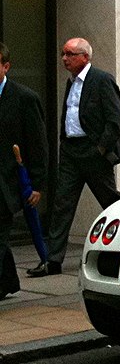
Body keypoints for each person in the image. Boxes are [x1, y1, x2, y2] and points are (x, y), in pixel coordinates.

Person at [27, 38, 120, 278]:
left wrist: (100, 150)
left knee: (110, 202)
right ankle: (52, 260)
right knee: (62, 204)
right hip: (71, 152)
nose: (64, 59)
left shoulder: (102, 80)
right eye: (63, 54)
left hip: (93, 152)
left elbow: (115, 120)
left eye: (70, 54)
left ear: (85, 57)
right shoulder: (71, 83)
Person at [0, 43, 47, 298]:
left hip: (7, 181)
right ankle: (7, 281)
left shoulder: (25, 98)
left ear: (6, 67)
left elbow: (38, 144)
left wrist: (38, 184)